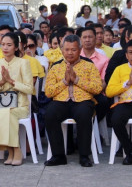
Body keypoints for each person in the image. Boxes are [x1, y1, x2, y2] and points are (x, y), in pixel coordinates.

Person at [44, 35, 103, 167]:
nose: (70, 53)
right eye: (67, 49)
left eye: (74, 49)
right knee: (50, 114)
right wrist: (65, 82)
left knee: (84, 114)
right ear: (62, 50)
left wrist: (77, 80)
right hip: (61, 101)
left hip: (83, 101)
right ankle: (58, 155)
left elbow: (97, 88)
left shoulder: (89, 65)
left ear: (80, 49)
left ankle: (84, 155)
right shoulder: (55, 67)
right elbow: (48, 92)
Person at [0, 32, 33, 166]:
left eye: (9, 45)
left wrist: (11, 81)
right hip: (1, 105)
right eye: (2, 45)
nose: (5, 48)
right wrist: (1, 83)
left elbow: (30, 89)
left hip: (20, 105)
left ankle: (15, 150)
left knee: (9, 114)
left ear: (16, 47)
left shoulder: (24, 63)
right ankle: (12, 150)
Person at [80, 27, 110, 123]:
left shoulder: (104, 59)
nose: (87, 40)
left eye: (90, 37)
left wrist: (90, 92)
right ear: (80, 39)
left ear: (95, 38)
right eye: (84, 37)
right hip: (77, 92)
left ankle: (93, 128)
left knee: (104, 101)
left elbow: (103, 81)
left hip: (95, 92)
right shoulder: (74, 57)